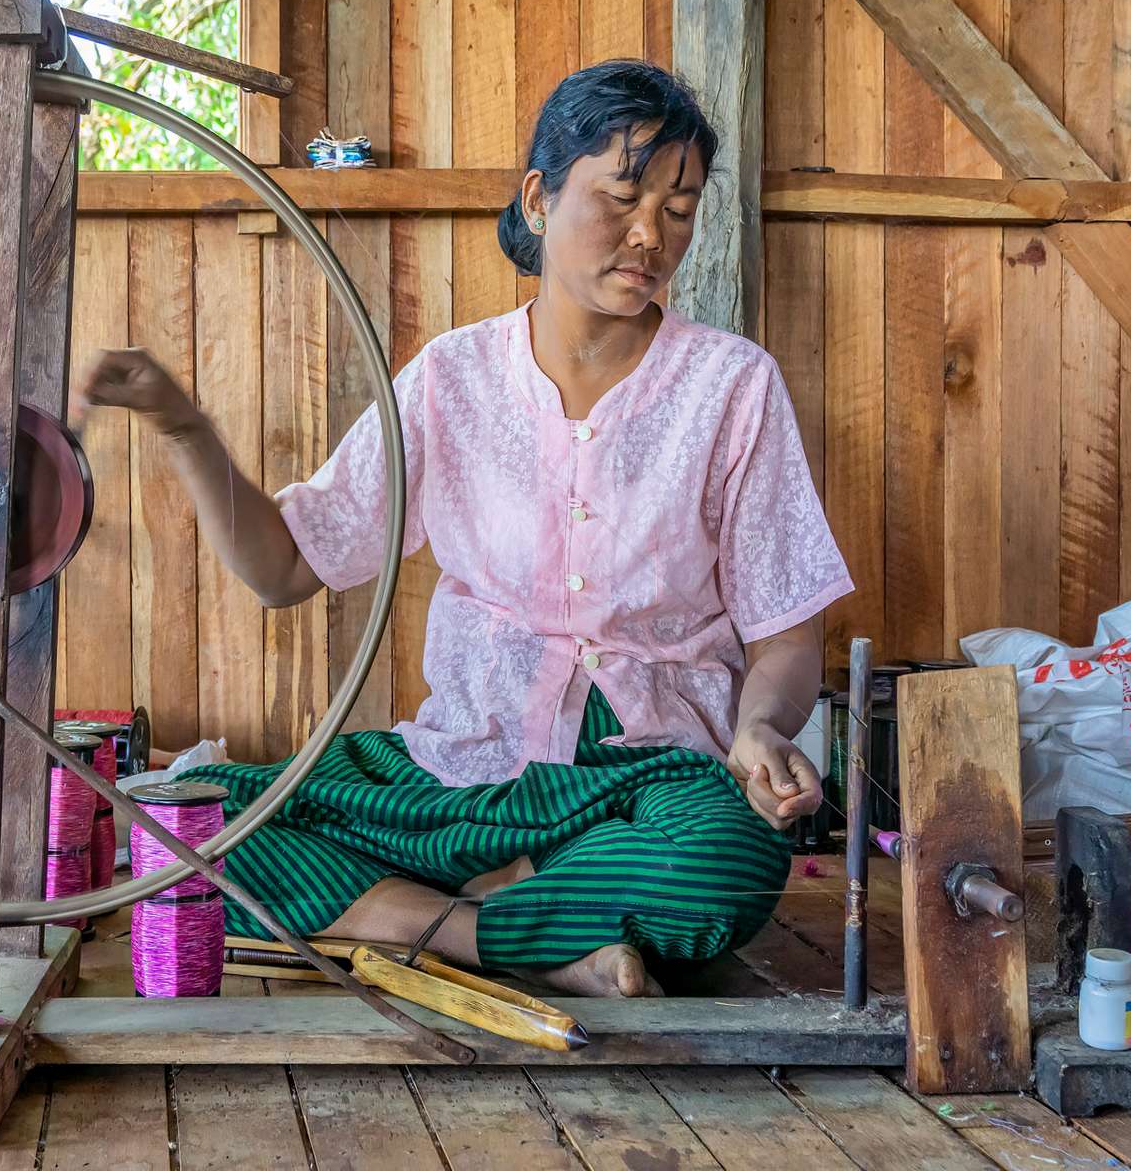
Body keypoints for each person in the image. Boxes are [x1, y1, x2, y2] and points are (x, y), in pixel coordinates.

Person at [78, 60, 853, 997]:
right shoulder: (450, 381)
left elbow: (786, 637)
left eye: (679, 210)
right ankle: (503, 930)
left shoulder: (731, 387)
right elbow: (285, 569)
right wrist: (186, 429)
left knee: (722, 863)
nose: (650, 234)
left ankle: (415, 917)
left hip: (647, 782)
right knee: (184, 821)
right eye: (621, 198)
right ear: (539, 197)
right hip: (462, 769)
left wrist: (763, 729)